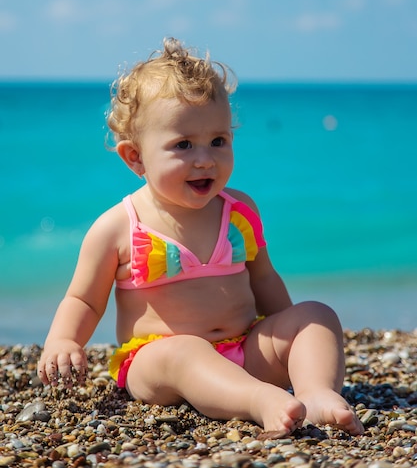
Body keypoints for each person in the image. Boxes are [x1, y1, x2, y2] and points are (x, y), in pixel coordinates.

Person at [38, 38, 364, 438]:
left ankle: (315, 393)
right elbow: (84, 299)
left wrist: (289, 334)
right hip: (159, 364)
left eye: (218, 141)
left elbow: (263, 279)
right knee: (185, 350)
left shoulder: (239, 210)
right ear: (135, 157)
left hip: (244, 350)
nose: (205, 158)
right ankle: (259, 400)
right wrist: (63, 340)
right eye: (183, 145)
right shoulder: (119, 226)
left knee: (317, 315)